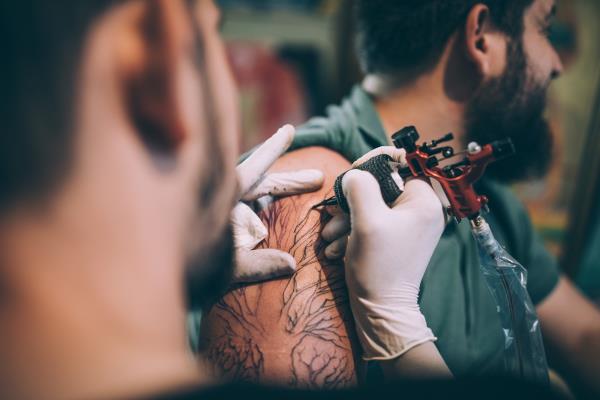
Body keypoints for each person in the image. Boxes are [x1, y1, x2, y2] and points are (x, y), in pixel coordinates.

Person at [1, 0, 526, 399]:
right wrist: (400, 329)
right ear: (156, 65)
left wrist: (164, 255)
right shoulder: (316, 166)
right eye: (212, 38)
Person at [200, 0, 600, 397]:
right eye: (544, 29)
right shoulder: (304, 191)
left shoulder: (492, 203)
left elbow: (584, 336)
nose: (556, 64)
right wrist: (399, 331)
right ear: (480, 37)